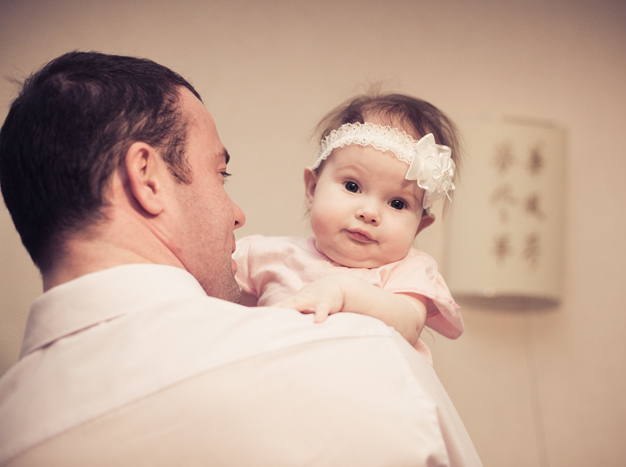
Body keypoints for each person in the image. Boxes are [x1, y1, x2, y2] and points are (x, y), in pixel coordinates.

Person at [0, 51, 482, 466]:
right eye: (221, 174)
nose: (238, 215)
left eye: (397, 203)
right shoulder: (366, 353)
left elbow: (409, 316)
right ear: (146, 177)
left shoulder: (12, 431)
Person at [234, 93, 463, 363]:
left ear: (420, 227)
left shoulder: (406, 271)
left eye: (397, 203)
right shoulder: (269, 254)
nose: (369, 213)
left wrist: (343, 292)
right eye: (352, 187)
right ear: (312, 188)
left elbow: (409, 322)